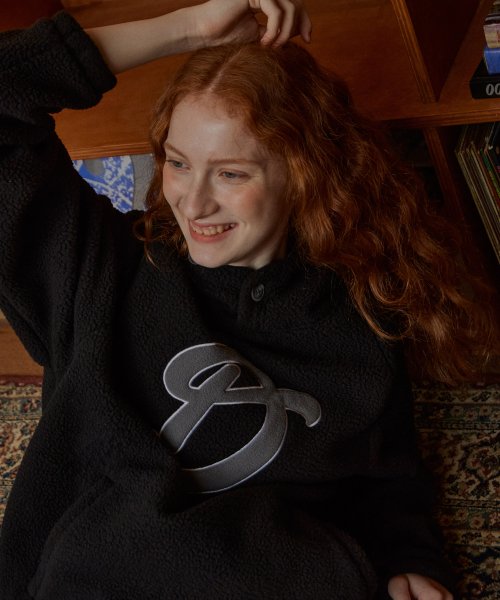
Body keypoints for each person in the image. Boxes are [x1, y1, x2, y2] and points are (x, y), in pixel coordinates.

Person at [0, 0, 494, 598]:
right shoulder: (99, 267)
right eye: (178, 163)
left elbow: (385, 480)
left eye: (231, 173)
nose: (193, 203)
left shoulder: (359, 316)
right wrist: (187, 29)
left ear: (303, 174)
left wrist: (411, 563)